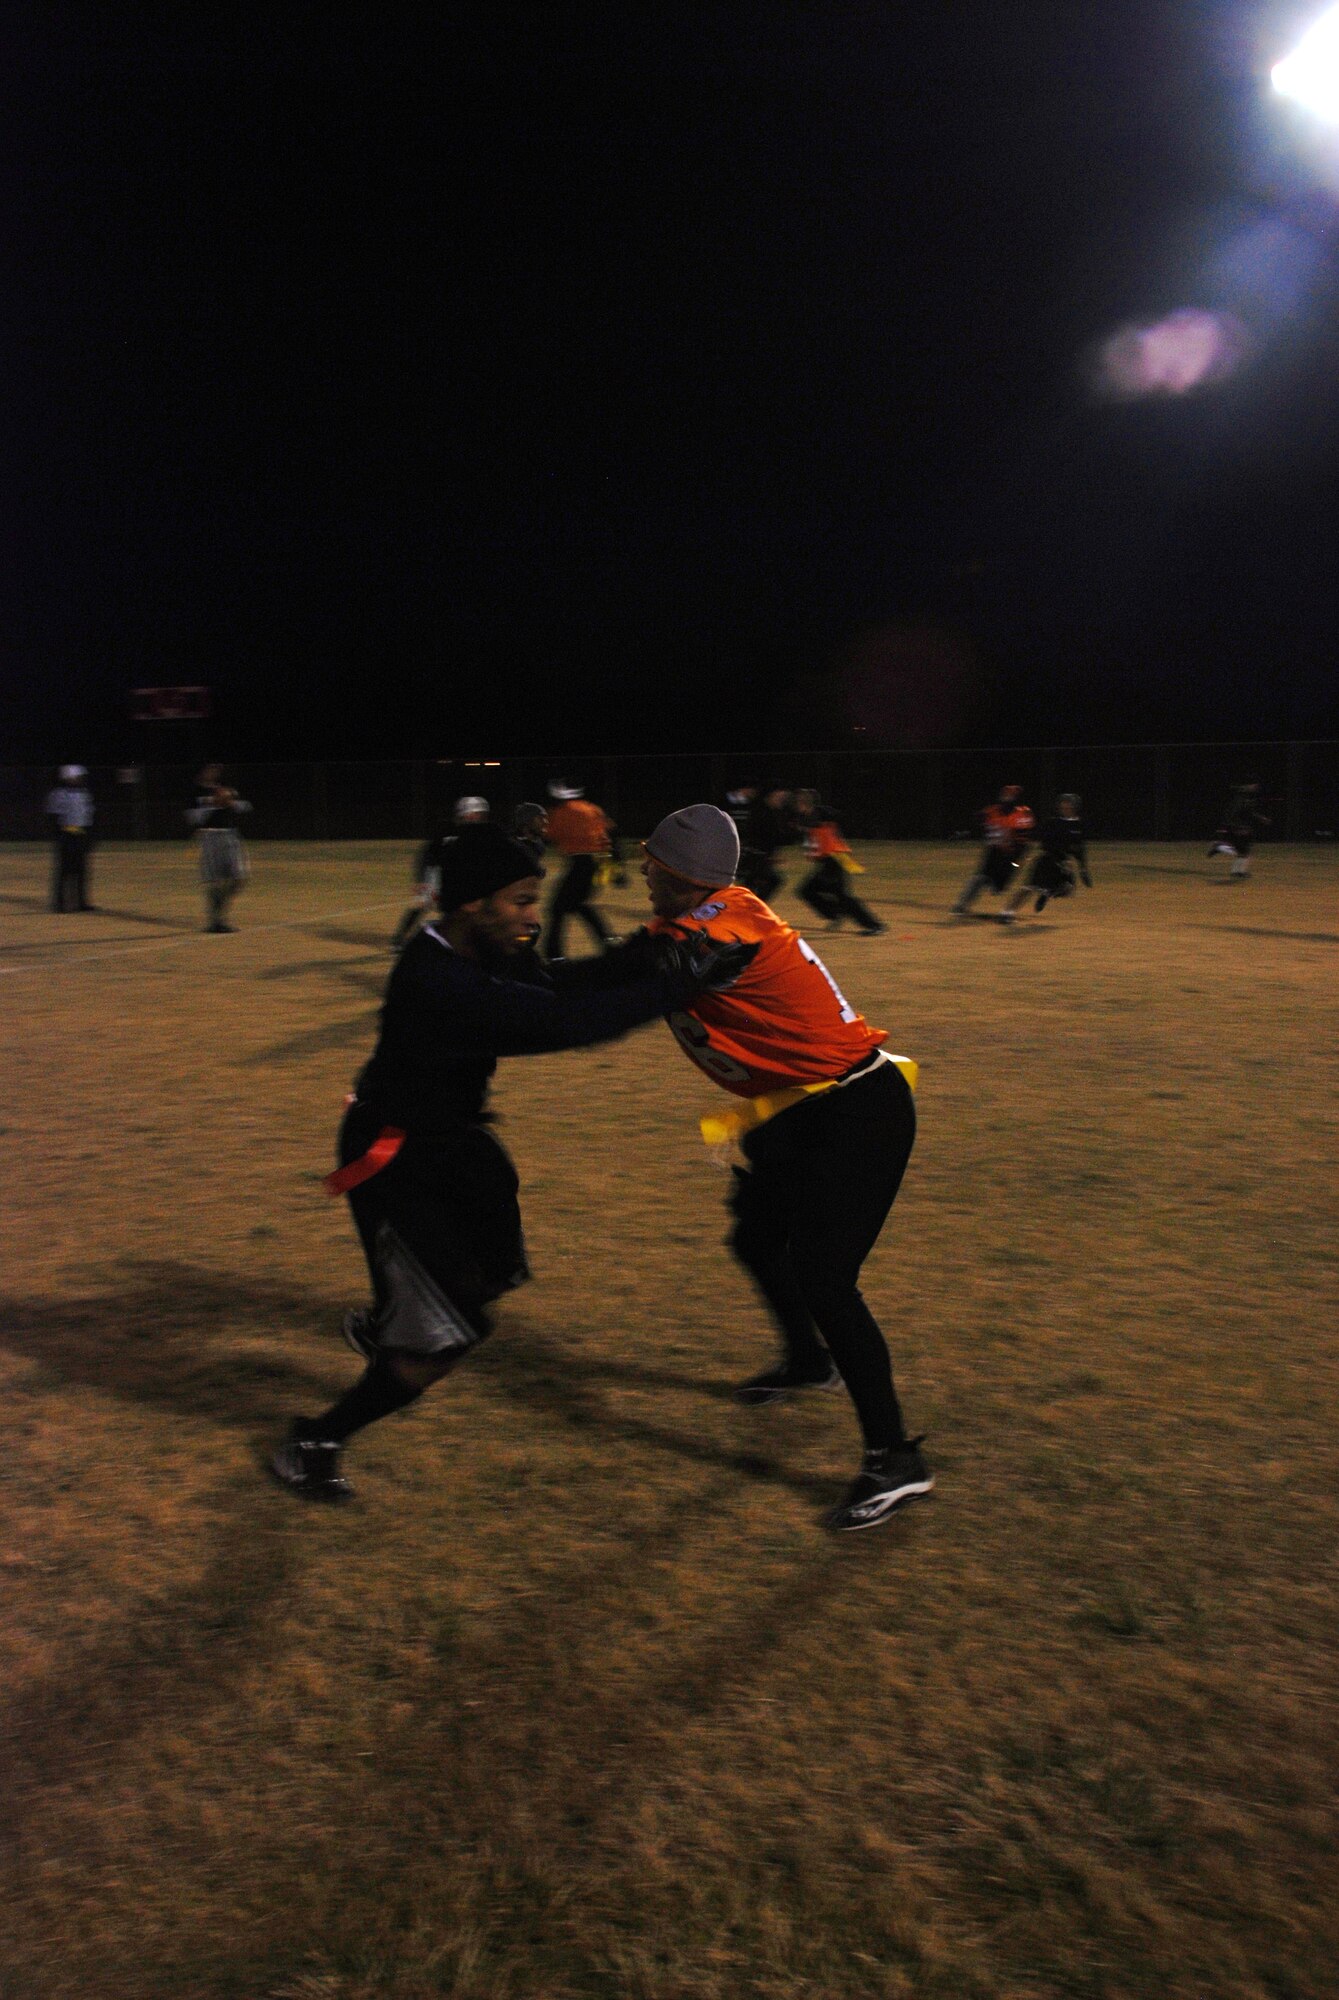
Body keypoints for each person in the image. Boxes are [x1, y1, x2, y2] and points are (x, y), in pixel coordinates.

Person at [271, 823, 756, 1501]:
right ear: (473, 902)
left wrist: (653, 949)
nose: (533, 917)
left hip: (454, 1142)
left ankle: (387, 1319)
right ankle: (314, 1440)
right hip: (396, 1157)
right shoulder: (438, 978)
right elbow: (563, 1024)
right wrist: (672, 987)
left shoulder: (475, 946)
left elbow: (562, 982)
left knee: (493, 1269)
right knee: (448, 1338)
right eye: (521, 901)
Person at [640, 803, 929, 1532]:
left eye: (655, 862)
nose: (643, 869)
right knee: (756, 1240)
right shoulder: (687, 923)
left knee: (826, 1278)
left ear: (686, 874)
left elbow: (711, 951)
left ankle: (895, 1459)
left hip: (855, 1111)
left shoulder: (730, 922)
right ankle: (807, 1361)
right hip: (793, 1109)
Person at [390, 797, 490, 955]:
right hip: (435, 873)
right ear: (466, 813)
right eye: (476, 813)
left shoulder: (479, 834)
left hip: (456, 875)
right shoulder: (447, 830)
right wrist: (421, 880)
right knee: (422, 905)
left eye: (481, 814)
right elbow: (426, 854)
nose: (480, 817)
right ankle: (398, 940)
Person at [542, 780, 620, 958]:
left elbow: (550, 834)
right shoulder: (592, 808)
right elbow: (609, 831)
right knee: (577, 904)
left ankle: (553, 954)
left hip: (580, 862)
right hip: (597, 862)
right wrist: (616, 864)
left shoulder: (561, 811)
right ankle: (609, 941)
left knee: (558, 908)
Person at [794, 790, 885, 936]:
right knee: (808, 890)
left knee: (840, 896)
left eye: (798, 803)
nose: (796, 806)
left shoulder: (822, 814)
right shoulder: (805, 817)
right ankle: (835, 912)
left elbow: (838, 818)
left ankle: (874, 925)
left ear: (803, 804)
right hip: (826, 861)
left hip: (835, 859)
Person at [186, 765, 253, 933]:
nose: (213, 772)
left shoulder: (225, 788)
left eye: (215, 770)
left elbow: (246, 807)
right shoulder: (195, 792)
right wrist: (213, 804)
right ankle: (216, 921)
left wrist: (229, 801)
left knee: (240, 878)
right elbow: (192, 817)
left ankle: (219, 913)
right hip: (210, 838)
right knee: (214, 882)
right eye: (209, 769)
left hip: (231, 837)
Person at [952, 783, 1035, 917]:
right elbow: (974, 824)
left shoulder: (1023, 813)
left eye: (1012, 795)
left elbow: (1024, 843)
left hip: (1011, 856)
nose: (1008, 797)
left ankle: (992, 884)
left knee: (999, 888)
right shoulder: (991, 812)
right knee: (979, 878)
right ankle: (961, 905)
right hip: (993, 852)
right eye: (1007, 794)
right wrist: (963, 832)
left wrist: (1016, 862)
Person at [1005, 793, 1092, 917]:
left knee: (1068, 890)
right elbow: (1040, 841)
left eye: (1068, 804)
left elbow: (1079, 848)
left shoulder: (1079, 825)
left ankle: (1047, 893)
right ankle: (1007, 913)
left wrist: (1083, 870)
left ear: (1075, 806)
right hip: (1047, 860)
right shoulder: (1053, 823)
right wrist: (1021, 858)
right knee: (1029, 888)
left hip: (1062, 862)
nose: (1065, 807)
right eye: (1063, 804)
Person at [44, 764, 96, 912]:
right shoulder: (58, 794)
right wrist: (58, 836)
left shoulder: (85, 793)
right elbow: (53, 818)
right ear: (68, 778)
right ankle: (59, 904)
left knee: (81, 871)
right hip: (66, 835)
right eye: (78, 777)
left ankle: (81, 902)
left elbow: (89, 816)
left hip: (80, 835)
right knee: (64, 872)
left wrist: (89, 837)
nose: (80, 779)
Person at [735, 785, 793, 903]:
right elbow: (758, 835)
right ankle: (754, 909)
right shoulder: (760, 812)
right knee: (769, 882)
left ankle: (752, 909)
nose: (782, 800)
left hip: (761, 857)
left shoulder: (774, 812)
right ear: (771, 795)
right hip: (755, 857)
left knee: (753, 886)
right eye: (779, 796)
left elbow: (778, 837)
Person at [1209, 780, 1271, 881]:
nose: (1255, 787)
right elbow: (1236, 813)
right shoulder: (1241, 797)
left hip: (1239, 826)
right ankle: (1221, 849)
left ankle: (1236, 871)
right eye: (1253, 784)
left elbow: (1248, 812)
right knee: (1244, 849)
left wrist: (1261, 818)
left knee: (1243, 850)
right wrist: (1238, 827)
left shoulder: (1244, 797)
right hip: (1238, 827)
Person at [511, 800, 549, 869]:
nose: (546, 822)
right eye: (540, 818)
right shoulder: (512, 846)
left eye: (545, 818)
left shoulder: (539, 844)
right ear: (527, 821)